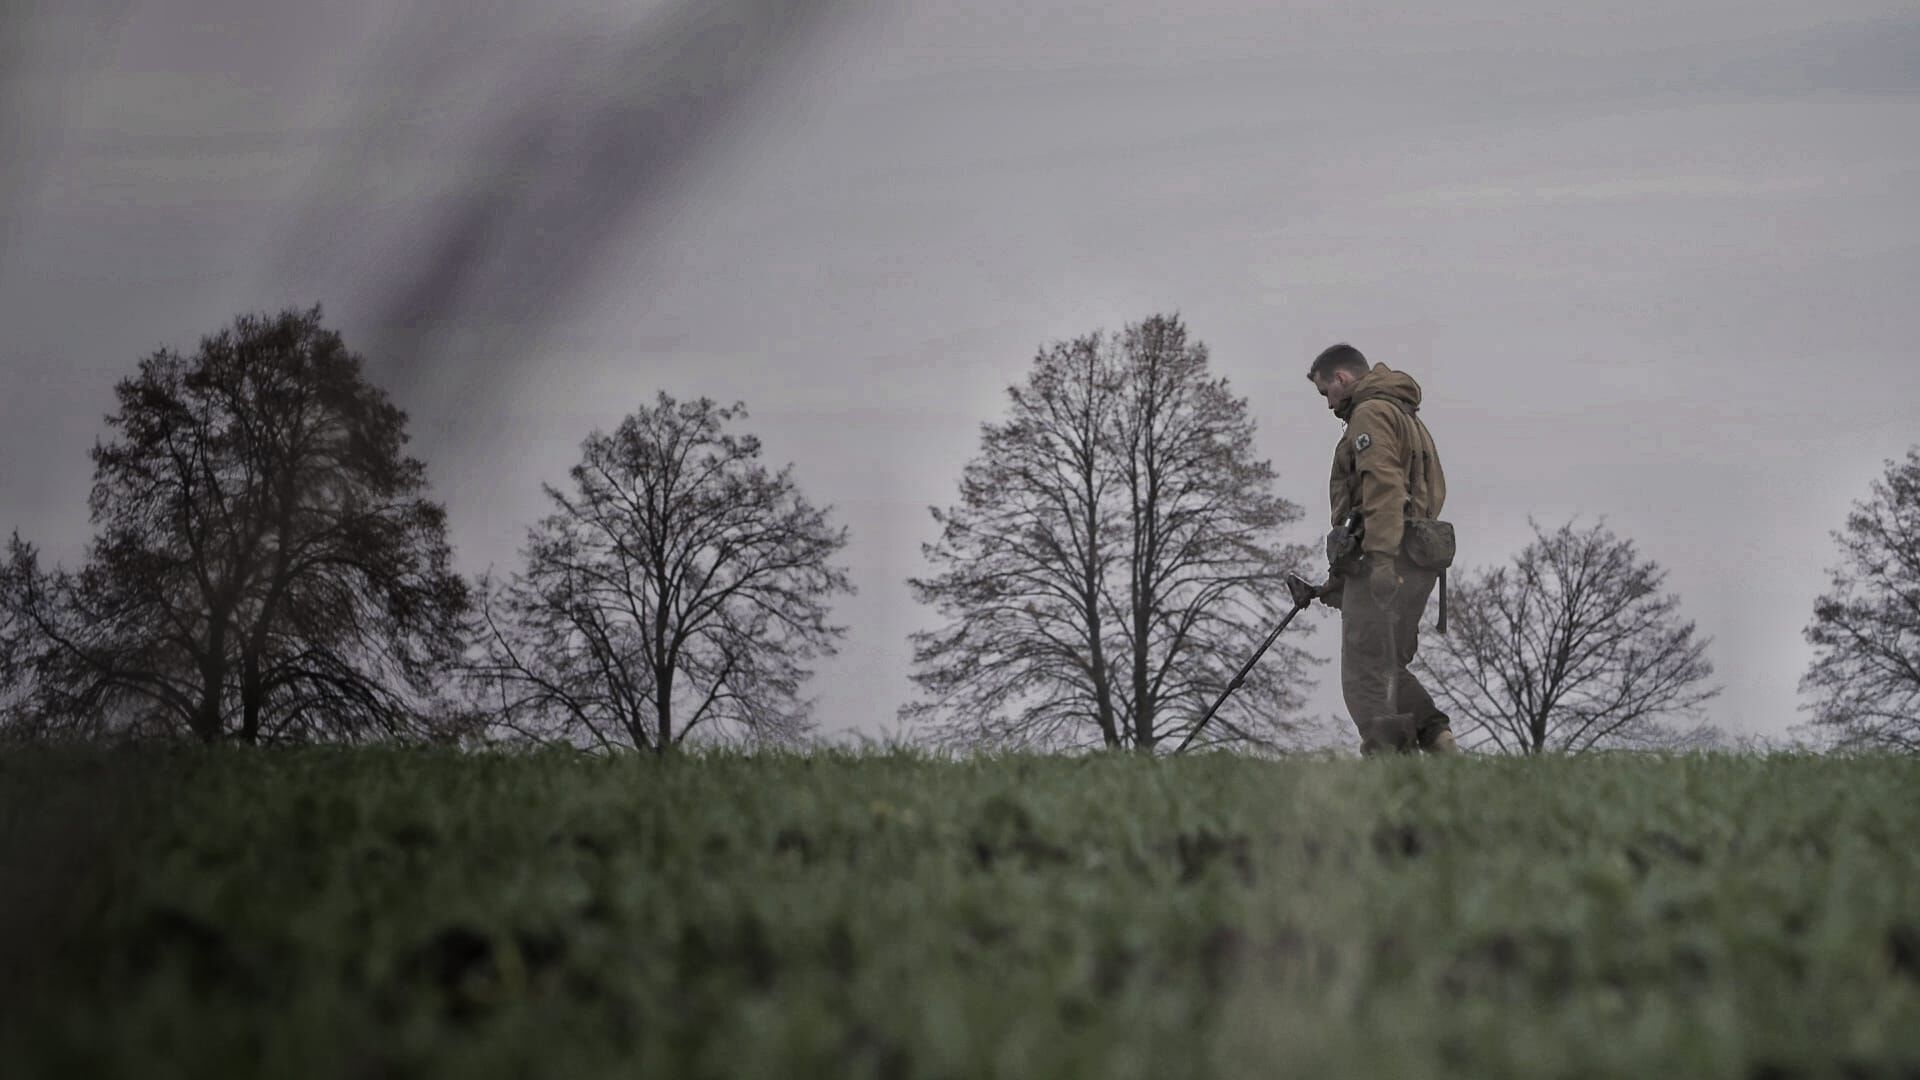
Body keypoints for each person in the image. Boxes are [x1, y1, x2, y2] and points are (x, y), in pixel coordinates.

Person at [1302, 343, 1458, 755]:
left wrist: (1383, 561)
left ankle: (1390, 765)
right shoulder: (1405, 414)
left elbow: (1384, 490)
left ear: (1341, 378)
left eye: (1326, 392)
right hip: (1417, 560)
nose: (1328, 403)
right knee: (1387, 666)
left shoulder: (1370, 414)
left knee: (1363, 673)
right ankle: (1439, 742)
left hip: (1388, 559)